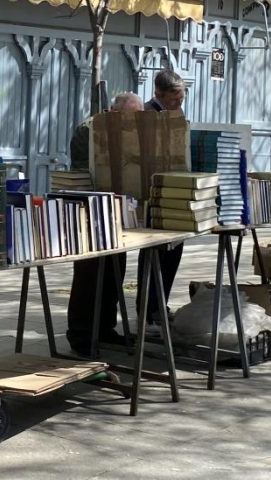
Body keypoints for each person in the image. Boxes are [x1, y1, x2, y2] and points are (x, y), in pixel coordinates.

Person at [66, 91, 143, 355]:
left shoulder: (129, 133)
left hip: (118, 210)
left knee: (115, 270)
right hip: (89, 211)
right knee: (89, 274)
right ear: (114, 112)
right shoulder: (88, 130)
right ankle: (81, 335)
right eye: (128, 119)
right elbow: (84, 171)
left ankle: (105, 329)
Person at [137, 69, 186, 334]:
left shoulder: (173, 115)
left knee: (173, 252)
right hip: (153, 194)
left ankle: (159, 304)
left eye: (181, 99)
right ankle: (150, 307)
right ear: (159, 94)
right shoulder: (148, 115)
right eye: (174, 100)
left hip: (173, 191)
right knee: (155, 255)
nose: (178, 104)